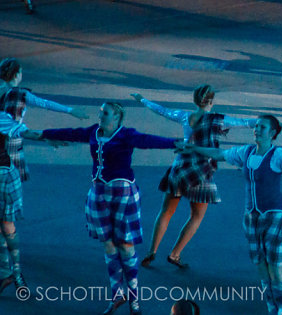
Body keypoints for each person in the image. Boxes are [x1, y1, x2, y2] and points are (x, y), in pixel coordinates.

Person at [28, 102, 179, 315]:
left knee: (125, 246)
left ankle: (134, 299)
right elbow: (71, 133)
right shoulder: (93, 132)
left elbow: (147, 140)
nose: (100, 116)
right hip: (99, 193)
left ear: (117, 117)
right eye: (100, 112)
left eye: (105, 113)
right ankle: (117, 294)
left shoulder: (125, 134)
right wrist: (43, 133)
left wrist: (174, 143)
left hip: (123, 194)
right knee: (108, 245)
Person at [183, 114, 282, 315]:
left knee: (276, 268)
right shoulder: (246, 152)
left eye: (262, 127)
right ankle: (271, 306)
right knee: (261, 266)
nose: (257, 129)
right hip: (252, 217)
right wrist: (193, 148)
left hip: (275, 216)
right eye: (256, 126)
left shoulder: (278, 155)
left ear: (273, 133)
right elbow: (219, 153)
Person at [130, 87, 258, 270]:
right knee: (196, 216)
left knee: (166, 212)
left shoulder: (184, 117)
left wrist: (142, 99)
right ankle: (175, 254)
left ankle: (152, 250)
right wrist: (272, 123)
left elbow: (161, 110)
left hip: (179, 168)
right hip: (201, 172)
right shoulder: (218, 120)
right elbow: (246, 122)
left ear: (195, 101)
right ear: (211, 102)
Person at [1, 57, 89, 183]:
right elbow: (44, 104)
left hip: (8, 138)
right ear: (16, 75)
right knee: (12, 186)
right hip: (11, 145)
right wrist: (70, 111)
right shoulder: (19, 94)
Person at [0, 112, 31, 295]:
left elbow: (23, 131)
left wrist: (47, 137)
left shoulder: (2, 117)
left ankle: (17, 272)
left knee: (7, 225)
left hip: (4, 175)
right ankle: (5, 273)